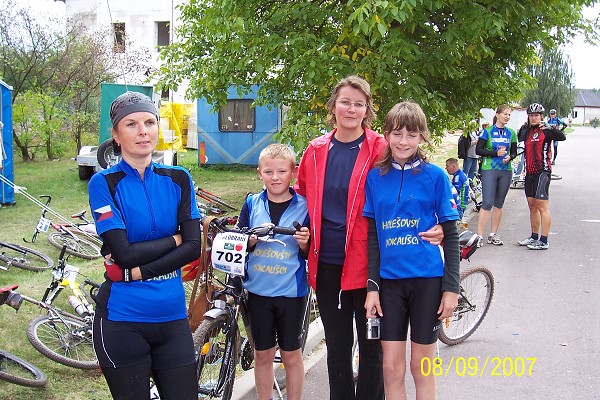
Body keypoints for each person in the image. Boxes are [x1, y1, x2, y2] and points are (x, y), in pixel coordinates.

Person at [294, 75, 443, 400]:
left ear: (367, 110)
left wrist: (443, 225)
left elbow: (416, 180)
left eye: (358, 104)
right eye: (345, 102)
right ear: (333, 106)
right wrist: (301, 236)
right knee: (337, 350)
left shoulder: (380, 147)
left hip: (370, 268)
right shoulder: (315, 151)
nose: (351, 109)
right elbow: (301, 199)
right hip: (328, 266)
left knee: (373, 352)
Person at [88, 91, 201, 400]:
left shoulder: (178, 178)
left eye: (150, 122)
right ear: (116, 134)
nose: (143, 131)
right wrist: (175, 239)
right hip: (123, 320)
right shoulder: (103, 183)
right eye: (132, 124)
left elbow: (193, 247)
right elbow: (124, 254)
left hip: (172, 318)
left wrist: (136, 272)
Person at [363, 101, 460, 399]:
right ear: (386, 135)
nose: (403, 141)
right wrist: (372, 288)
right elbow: (373, 237)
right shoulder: (375, 178)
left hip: (427, 282)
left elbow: (452, 236)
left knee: (422, 367)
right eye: (397, 133)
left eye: (411, 134)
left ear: (422, 137)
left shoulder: (436, 176)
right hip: (390, 285)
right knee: (391, 369)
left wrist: (451, 289)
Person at [237, 144, 310, 400]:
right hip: (258, 292)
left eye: (281, 171)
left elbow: (310, 251)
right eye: (268, 172)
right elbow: (240, 242)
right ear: (260, 173)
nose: (275, 177)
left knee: (291, 354)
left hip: (291, 293)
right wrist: (249, 241)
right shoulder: (251, 204)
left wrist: (305, 243)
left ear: (293, 172)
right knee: (263, 354)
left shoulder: (305, 206)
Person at [517, 103, 566, 250]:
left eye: (536, 115)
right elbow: (519, 140)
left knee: (542, 206)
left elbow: (562, 137)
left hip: (542, 171)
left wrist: (551, 128)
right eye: (531, 115)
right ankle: (533, 237)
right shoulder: (526, 130)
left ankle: (544, 240)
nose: (534, 118)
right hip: (529, 172)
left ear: (541, 116)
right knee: (532, 205)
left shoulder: (546, 130)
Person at [475, 104, 517, 247]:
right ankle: (479, 236)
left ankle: (493, 234)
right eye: (505, 114)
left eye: (509, 114)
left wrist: (510, 157)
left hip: (505, 170)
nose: (507, 117)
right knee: (487, 203)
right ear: (497, 115)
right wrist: (495, 153)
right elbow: (478, 150)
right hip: (489, 169)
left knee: (499, 203)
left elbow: (514, 151)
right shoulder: (487, 131)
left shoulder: (511, 133)